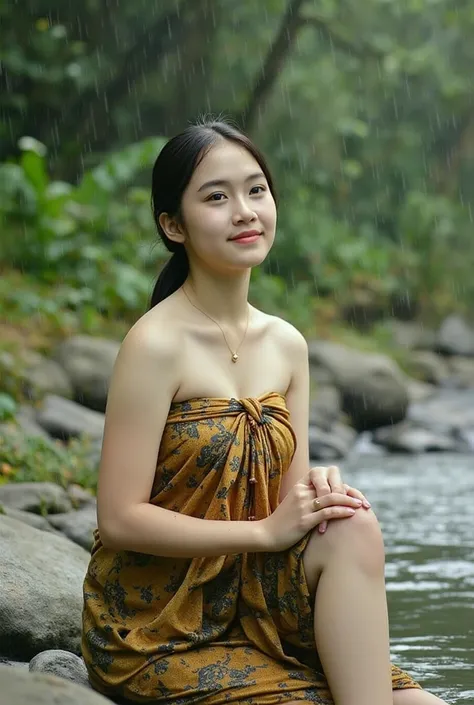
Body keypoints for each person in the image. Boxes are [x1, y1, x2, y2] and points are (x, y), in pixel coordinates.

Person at [81, 118, 448, 705]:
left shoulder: (286, 344)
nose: (245, 211)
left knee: (353, 526)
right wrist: (262, 531)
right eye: (216, 197)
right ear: (172, 226)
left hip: (256, 598)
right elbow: (120, 517)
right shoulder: (154, 345)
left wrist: (316, 487)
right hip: (158, 622)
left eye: (256, 190)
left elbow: (286, 500)